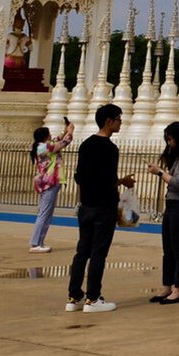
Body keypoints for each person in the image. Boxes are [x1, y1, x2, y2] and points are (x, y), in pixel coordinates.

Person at [66, 103, 135, 313]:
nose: (120, 123)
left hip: (86, 205)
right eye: (118, 119)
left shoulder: (86, 145)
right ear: (108, 121)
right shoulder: (110, 149)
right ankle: (93, 298)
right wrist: (123, 181)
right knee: (98, 253)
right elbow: (108, 181)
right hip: (104, 207)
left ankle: (74, 296)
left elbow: (79, 176)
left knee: (82, 251)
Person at [145, 121, 179, 304]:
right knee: (167, 249)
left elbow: (178, 183)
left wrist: (160, 172)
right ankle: (167, 286)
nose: (169, 143)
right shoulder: (178, 157)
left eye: (171, 139)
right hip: (171, 204)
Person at [28, 118, 74, 252]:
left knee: (46, 213)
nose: (51, 136)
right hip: (49, 183)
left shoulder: (43, 146)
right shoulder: (44, 148)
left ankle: (39, 242)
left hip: (50, 183)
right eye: (48, 134)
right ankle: (35, 243)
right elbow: (64, 142)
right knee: (44, 213)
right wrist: (70, 131)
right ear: (44, 137)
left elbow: (57, 139)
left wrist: (65, 130)